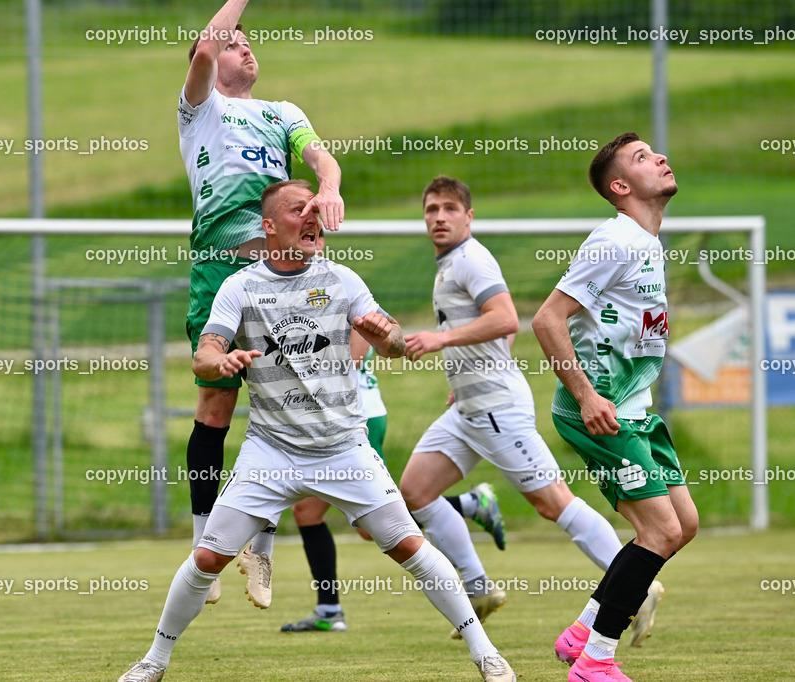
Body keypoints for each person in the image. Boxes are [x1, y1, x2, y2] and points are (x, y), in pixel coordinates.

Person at [118, 180, 515, 682]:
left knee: (410, 548)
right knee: (206, 558)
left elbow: (393, 343)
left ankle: (486, 655)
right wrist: (220, 360)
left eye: (314, 209)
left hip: (344, 448)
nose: (312, 216)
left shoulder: (343, 279)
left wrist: (388, 337)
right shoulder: (239, 286)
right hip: (271, 451)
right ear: (268, 226)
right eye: (297, 210)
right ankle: (153, 661)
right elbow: (205, 352)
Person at [399, 176, 625, 639]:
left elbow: (506, 319)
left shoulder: (471, 258)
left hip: (498, 407)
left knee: (552, 502)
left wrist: (441, 340)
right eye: (431, 209)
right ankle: (478, 588)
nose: (439, 217)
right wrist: (465, 371)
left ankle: (634, 584)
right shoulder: (449, 264)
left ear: (468, 217)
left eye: (449, 208)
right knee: (415, 491)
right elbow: (492, 331)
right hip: (468, 407)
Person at [178, 0, 344, 608]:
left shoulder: (282, 112)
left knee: (284, 409)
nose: (244, 47)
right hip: (219, 271)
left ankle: (262, 550)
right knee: (215, 406)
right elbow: (204, 46)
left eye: (248, 42)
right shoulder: (200, 109)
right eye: (233, 43)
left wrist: (327, 185)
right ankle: (204, 545)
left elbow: (320, 155)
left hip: (281, 280)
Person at [532, 133, 699, 682]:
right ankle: (595, 662)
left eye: (655, 152)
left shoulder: (646, 240)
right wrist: (586, 396)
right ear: (621, 187)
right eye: (643, 158)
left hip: (634, 409)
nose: (661, 158)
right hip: (600, 412)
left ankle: (582, 632)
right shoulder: (615, 239)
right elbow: (547, 320)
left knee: (683, 525)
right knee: (661, 532)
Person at [280, 233, 506, 634]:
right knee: (308, 512)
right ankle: (329, 611)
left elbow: (346, 361)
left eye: (315, 238)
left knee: (372, 526)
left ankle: (470, 505)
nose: (307, 247)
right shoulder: (295, 296)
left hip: (359, 420)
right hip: (330, 422)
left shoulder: (341, 290)